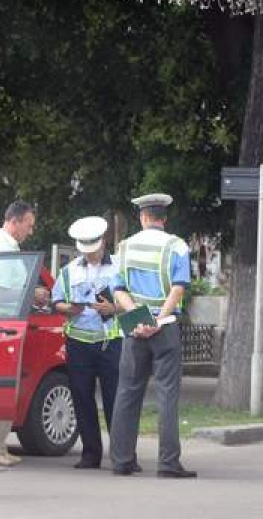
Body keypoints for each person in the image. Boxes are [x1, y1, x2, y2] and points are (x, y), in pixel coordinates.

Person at [109, 193, 196, 479]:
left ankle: (122, 461)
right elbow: (179, 288)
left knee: (127, 392)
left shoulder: (124, 247)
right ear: (164, 218)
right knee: (167, 395)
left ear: (142, 217)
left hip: (135, 328)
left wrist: (140, 317)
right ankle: (168, 463)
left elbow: (118, 289)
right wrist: (158, 319)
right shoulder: (177, 246)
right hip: (166, 327)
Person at [51, 216, 121, 469]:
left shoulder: (119, 267)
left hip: (111, 342)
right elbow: (55, 300)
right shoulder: (69, 271)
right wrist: (68, 308)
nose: (90, 255)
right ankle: (90, 454)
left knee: (116, 400)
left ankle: (122, 454)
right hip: (78, 342)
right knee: (82, 398)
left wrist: (112, 308)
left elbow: (133, 303)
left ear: (103, 242)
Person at [0, 200, 37, 466]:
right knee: (0, 387)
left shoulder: (7, 247)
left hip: (6, 326)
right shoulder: (1, 248)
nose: (30, 231)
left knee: (5, 386)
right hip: (1, 326)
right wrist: (31, 294)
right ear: (14, 221)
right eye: (28, 225)